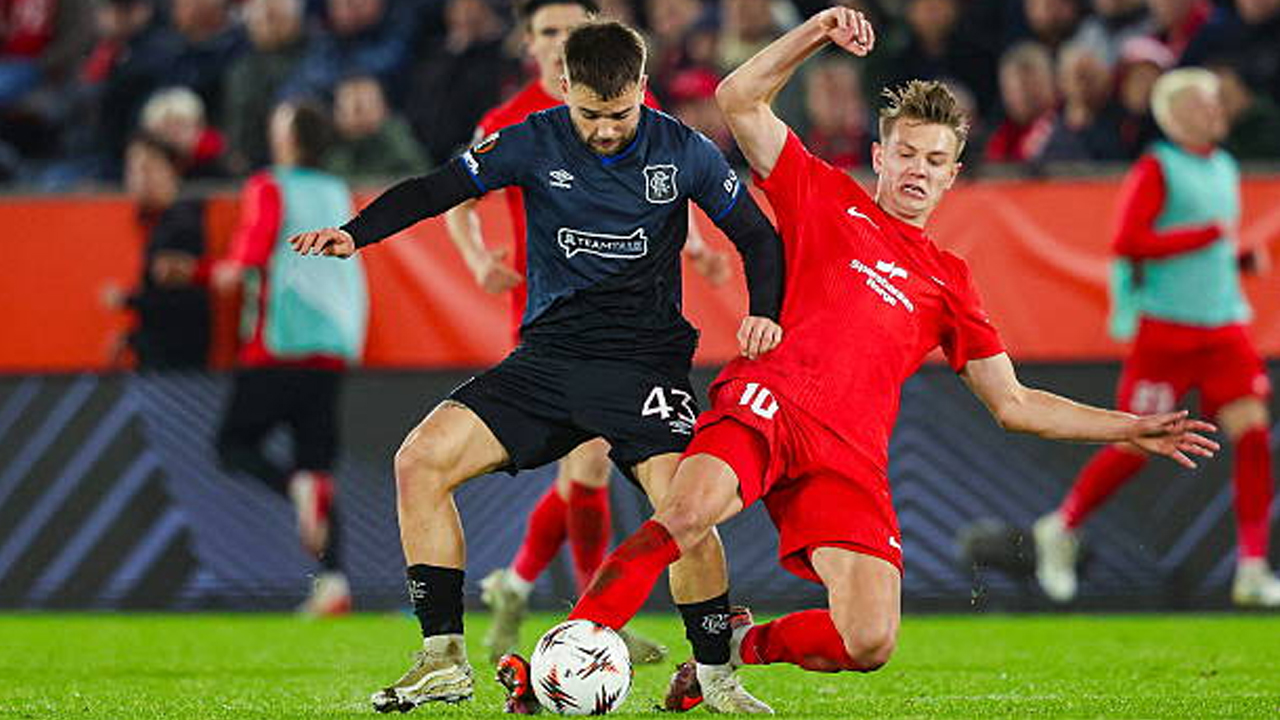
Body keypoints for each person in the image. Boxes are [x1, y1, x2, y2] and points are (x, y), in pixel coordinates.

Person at [553, 6, 1219, 713]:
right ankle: (571, 646)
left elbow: (1014, 404)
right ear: (880, 156)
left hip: (847, 457)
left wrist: (1125, 427)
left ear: (952, 175)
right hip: (768, 403)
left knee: (868, 640)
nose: (917, 171)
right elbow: (737, 99)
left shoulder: (949, 281)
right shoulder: (822, 194)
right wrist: (816, 31)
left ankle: (736, 645)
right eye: (906, 154)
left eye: (934, 161)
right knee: (689, 512)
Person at [288, 20, 785, 714]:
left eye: (619, 114)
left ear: (643, 89)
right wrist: (355, 233)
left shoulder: (684, 149)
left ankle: (715, 677)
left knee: (685, 513)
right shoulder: (532, 138)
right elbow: (438, 188)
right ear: (562, 89)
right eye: (590, 113)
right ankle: (442, 659)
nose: (606, 130)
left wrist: (765, 310)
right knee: (420, 461)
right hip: (548, 359)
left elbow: (759, 239)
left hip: (644, 365)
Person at [441, 0, 728, 668]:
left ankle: (533, 591)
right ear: (530, 43)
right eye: (548, 32)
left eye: (571, 31)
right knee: (588, 461)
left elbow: (660, 188)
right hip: (549, 318)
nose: (559, 42)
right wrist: (479, 257)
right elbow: (458, 198)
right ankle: (593, 620)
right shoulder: (509, 120)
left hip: (624, 316)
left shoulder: (620, 106)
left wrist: (700, 243)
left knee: (586, 465)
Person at [1033, 67, 1280, 608]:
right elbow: (1129, 242)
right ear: (1176, 114)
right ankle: (1061, 525)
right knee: (1137, 443)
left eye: (1217, 100)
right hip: (1166, 332)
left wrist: (1234, 255)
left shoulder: (1224, 165)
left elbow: (1208, 244)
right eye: (1205, 102)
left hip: (1224, 328)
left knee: (1255, 434)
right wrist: (1206, 237)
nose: (1217, 109)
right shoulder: (1156, 168)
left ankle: (1253, 568)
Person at [213, 102, 369, 616]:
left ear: (289, 139)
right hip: (335, 341)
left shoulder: (269, 184)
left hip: (279, 337)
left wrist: (224, 272)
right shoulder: (335, 191)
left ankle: (295, 492)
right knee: (317, 466)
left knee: (235, 443)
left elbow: (253, 251)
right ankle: (334, 581)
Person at [112, 132, 210, 370]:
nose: (138, 179)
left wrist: (127, 299)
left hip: (178, 371)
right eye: (132, 170)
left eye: (146, 169)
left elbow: (181, 305)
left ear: (171, 170)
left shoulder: (181, 224)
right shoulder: (159, 223)